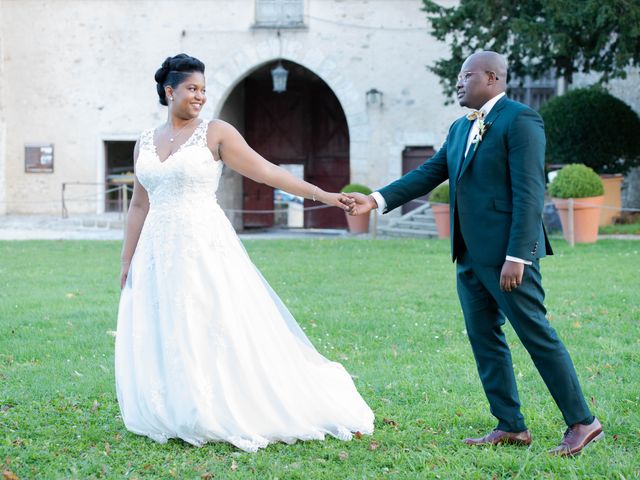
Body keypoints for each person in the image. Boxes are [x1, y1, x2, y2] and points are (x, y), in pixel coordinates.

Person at [344, 51, 602, 456]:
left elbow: (531, 192)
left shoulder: (521, 120)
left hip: (508, 258)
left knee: (536, 335)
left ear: (493, 77)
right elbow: (429, 173)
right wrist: (375, 200)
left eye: (466, 76)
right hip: (468, 255)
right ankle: (511, 425)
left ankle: (584, 422)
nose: (458, 83)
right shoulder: (460, 127)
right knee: (484, 338)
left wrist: (518, 255)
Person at [115, 53, 374, 452]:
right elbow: (138, 205)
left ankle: (217, 404)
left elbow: (267, 171)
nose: (200, 96)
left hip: (203, 243)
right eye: (191, 89)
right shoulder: (144, 142)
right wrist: (127, 259)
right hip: (156, 248)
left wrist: (322, 195)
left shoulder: (216, 133)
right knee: (166, 319)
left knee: (210, 318)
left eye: (203, 89)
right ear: (169, 92)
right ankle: (175, 404)